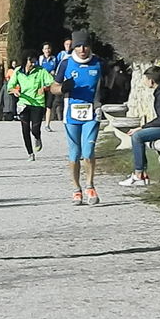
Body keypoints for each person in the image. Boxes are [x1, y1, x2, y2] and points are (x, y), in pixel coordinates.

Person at [50, 30, 103, 206]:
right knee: (74, 153)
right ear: (73, 46)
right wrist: (63, 88)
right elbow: (53, 87)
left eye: (85, 46)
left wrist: (100, 102)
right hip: (71, 113)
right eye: (79, 46)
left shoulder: (98, 63)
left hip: (91, 114)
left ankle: (90, 185)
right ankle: (76, 189)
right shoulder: (66, 63)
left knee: (88, 152)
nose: (82, 49)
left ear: (90, 47)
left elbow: (106, 86)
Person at [7, 49, 54, 161]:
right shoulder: (18, 72)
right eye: (31, 62)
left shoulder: (41, 71)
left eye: (34, 62)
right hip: (23, 103)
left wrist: (44, 88)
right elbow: (9, 87)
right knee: (25, 128)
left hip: (38, 103)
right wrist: (15, 91)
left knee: (35, 129)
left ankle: (37, 137)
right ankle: (30, 153)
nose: (33, 64)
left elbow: (52, 83)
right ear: (25, 61)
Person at [38, 42, 58, 132]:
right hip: (42, 85)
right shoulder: (40, 59)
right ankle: (37, 122)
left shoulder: (54, 59)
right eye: (45, 49)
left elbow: (56, 69)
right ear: (43, 50)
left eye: (48, 48)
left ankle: (47, 124)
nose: (47, 50)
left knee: (49, 105)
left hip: (51, 85)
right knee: (40, 104)